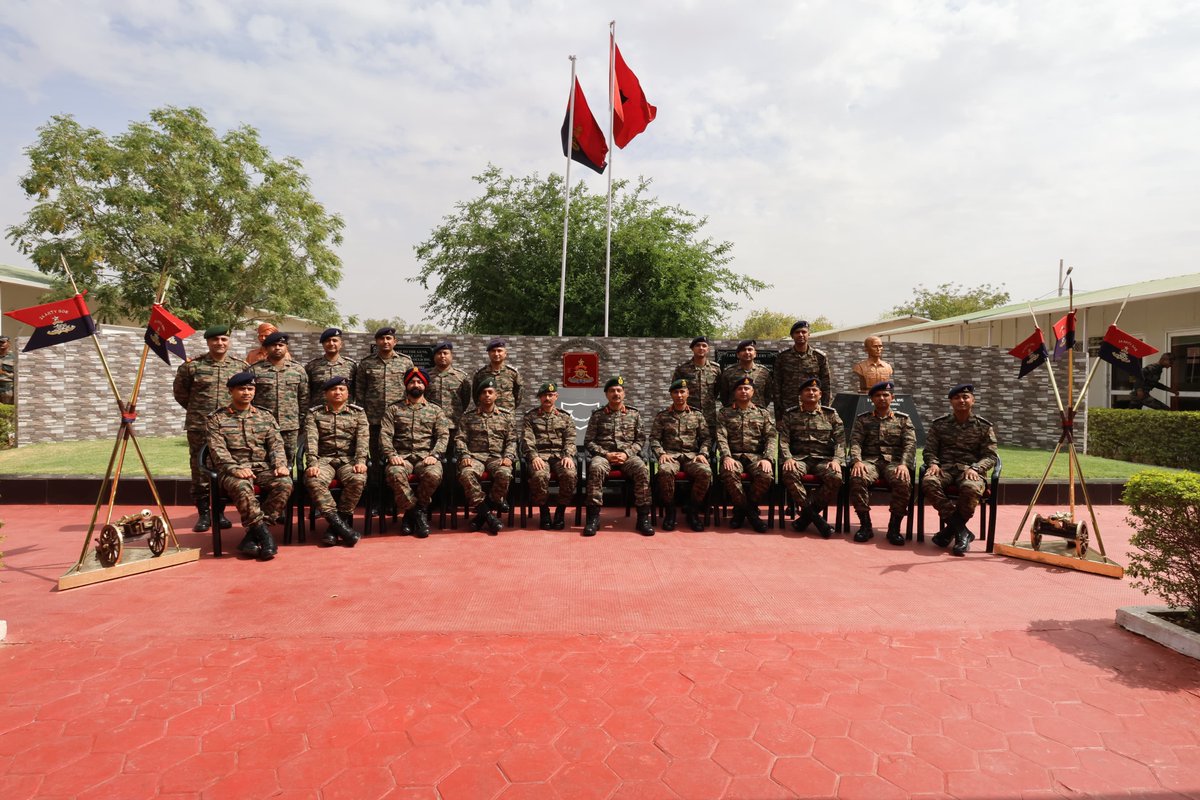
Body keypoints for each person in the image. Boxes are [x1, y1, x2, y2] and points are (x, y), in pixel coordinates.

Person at [205, 371, 292, 560]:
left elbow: (276, 445)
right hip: (231, 471)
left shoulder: (266, 416)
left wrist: (280, 464)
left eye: (250, 388)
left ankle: (252, 537)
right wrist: (235, 468)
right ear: (231, 391)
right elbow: (217, 450)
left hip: (261, 468)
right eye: (241, 389)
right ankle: (266, 537)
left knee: (285, 482)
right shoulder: (216, 419)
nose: (246, 392)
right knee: (242, 485)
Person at [173, 325, 249, 533]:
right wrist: (199, 410)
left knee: (225, 467)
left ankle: (220, 512)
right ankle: (204, 514)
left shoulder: (240, 367)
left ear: (229, 342)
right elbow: (181, 393)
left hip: (228, 427)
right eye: (215, 339)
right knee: (199, 470)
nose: (220, 343)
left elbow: (247, 393)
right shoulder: (192, 367)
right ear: (207, 342)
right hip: (200, 426)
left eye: (224, 339)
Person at [922, 383, 999, 556]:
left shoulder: (983, 426)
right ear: (951, 402)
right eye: (957, 398)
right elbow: (929, 450)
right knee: (928, 482)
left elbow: (990, 455)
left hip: (970, 470)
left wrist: (977, 468)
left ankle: (950, 532)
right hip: (945, 468)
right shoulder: (939, 425)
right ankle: (962, 531)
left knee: (970, 488)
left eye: (965, 397)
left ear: (973, 400)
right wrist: (933, 463)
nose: (961, 400)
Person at [380, 367, 451, 538]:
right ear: (406, 385)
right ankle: (417, 513)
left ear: (425, 385)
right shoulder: (393, 410)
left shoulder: (436, 410)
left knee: (433, 474)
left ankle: (410, 515)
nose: (415, 384)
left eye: (419, 382)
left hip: (425, 457)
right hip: (401, 457)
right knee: (395, 473)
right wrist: (391, 455)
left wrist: (435, 455)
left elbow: (443, 435)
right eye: (412, 381)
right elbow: (385, 435)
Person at [582, 376, 654, 537]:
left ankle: (643, 518)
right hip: (604, 455)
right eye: (612, 391)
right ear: (606, 394)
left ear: (624, 393)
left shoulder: (634, 414)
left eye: (619, 390)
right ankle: (593, 518)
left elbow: (640, 439)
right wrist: (606, 454)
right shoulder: (598, 415)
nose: (616, 393)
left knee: (641, 469)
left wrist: (626, 453)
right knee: (595, 468)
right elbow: (589, 441)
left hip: (627, 456)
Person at [302, 376, 369, 547]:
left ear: (348, 393)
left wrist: (360, 461)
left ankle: (334, 528)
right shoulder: (314, 413)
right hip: (323, 460)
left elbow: (362, 440)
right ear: (325, 393)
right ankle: (341, 526)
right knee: (313, 480)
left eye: (342, 389)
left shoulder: (358, 413)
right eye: (333, 389)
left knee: (358, 479)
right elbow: (311, 441)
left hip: (349, 460)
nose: (337, 392)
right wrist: (313, 464)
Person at [849, 380, 916, 545]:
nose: (882, 398)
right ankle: (865, 525)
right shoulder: (863, 420)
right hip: (870, 462)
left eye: (885, 395)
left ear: (892, 397)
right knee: (857, 478)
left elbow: (910, 445)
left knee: (903, 480)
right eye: (878, 395)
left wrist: (904, 464)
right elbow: (855, 442)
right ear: (872, 399)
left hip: (894, 463)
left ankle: (894, 528)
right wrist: (857, 461)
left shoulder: (903, 420)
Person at [356, 326, 415, 514]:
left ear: (395, 342)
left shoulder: (405, 362)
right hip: (373, 421)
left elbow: (411, 389)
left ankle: (393, 501)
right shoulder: (366, 364)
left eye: (389, 338)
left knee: (394, 461)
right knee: (374, 462)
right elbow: (360, 391)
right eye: (381, 339)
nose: (385, 342)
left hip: (398, 422)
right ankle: (375, 501)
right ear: (377, 342)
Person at [779, 376, 844, 538]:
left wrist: (836, 460)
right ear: (800, 395)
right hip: (799, 459)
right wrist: (787, 458)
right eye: (807, 390)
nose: (811, 392)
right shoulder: (790, 415)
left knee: (835, 477)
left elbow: (841, 440)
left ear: (820, 394)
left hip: (823, 459)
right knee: (789, 472)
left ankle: (806, 518)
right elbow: (784, 440)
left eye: (814, 390)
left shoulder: (831, 415)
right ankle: (816, 519)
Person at [650, 378, 712, 532]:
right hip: (670, 455)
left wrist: (703, 453)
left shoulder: (697, 415)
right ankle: (670, 510)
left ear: (688, 393)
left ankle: (693, 510)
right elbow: (654, 439)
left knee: (706, 472)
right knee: (664, 471)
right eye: (676, 392)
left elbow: (706, 438)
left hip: (692, 456)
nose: (679, 395)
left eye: (682, 392)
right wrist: (661, 453)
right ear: (671, 395)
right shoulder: (662, 416)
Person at [716, 376, 777, 533]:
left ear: (753, 392)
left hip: (756, 457)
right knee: (729, 472)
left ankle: (741, 511)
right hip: (734, 456)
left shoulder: (763, 413)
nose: (743, 391)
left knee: (766, 475)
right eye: (740, 388)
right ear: (735, 392)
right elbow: (721, 437)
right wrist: (726, 456)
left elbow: (771, 437)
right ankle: (751, 515)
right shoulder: (724, 413)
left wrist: (767, 458)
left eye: (747, 388)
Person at [456, 378, 516, 535]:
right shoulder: (468, 416)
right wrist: (464, 454)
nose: (487, 395)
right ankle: (488, 515)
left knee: (505, 473)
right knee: (466, 474)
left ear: (496, 395)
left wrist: (509, 456)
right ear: (479, 396)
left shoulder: (506, 416)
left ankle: (482, 515)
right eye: (483, 393)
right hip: (475, 456)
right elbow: (460, 439)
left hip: (497, 457)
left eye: (490, 392)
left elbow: (512, 440)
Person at [521, 382, 577, 530]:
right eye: (544, 395)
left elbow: (571, 439)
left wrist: (568, 455)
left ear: (556, 396)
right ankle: (544, 510)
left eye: (550, 395)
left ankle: (560, 511)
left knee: (570, 474)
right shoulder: (530, 417)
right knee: (539, 475)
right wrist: (533, 456)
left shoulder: (565, 417)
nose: (547, 398)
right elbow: (527, 440)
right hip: (540, 456)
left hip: (560, 456)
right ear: (540, 398)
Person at [250, 331, 309, 467]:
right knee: (262, 461)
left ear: (286, 347)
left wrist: (300, 422)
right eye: (273, 345)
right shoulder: (255, 370)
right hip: (262, 426)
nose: (277, 348)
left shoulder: (298, 370)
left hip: (290, 426)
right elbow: (250, 399)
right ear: (266, 348)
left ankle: (287, 487)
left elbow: (304, 398)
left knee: (288, 462)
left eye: (281, 345)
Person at [771, 320, 833, 419]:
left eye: (803, 332)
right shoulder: (783, 357)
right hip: (788, 407)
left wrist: (826, 412)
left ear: (809, 334)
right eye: (797, 332)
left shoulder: (819, 357)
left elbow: (826, 386)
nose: (800, 335)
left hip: (812, 407)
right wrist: (778, 416)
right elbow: (777, 387)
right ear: (792, 336)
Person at [671, 336, 722, 433]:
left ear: (708, 349)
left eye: (704, 345)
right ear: (692, 348)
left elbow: (717, 390)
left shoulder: (715, 369)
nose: (701, 348)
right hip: (688, 414)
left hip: (709, 416)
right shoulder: (682, 368)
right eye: (698, 345)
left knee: (709, 444)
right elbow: (675, 390)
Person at [305, 327, 358, 405]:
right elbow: (306, 392)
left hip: (344, 414)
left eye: (335, 340)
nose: (331, 343)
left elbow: (357, 391)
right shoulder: (312, 366)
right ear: (323, 344)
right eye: (327, 341)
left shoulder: (351, 366)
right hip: (319, 413)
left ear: (341, 344)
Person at [716, 339, 772, 409]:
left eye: (750, 349)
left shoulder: (764, 372)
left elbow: (768, 395)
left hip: (758, 415)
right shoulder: (728, 372)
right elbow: (724, 395)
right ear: (738, 355)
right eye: (743, 350)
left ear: (755, 354)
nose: (747, 352)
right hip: (734, 414)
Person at [426, 341, 472, 426]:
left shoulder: (461, 377)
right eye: (439, 353)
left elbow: (465, 400)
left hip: (453, 423)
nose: (442, 356)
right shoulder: (426, 376)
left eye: (445, 353)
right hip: (431, 423)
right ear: (434, 356)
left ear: (451, 356)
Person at [472, 338, 523, 412]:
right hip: (485, 416)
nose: (496, 354)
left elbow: (518, 396)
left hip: (506, 417)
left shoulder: (513, 373)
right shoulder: (480, 374)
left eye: (499, 351)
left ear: (505, 354)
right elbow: (475, 396)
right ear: (489, 353)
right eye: (493, 351)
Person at [0, 335, 14, 404]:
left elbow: (18, 375)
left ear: (9, 343)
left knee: (7, 411)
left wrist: (4, 373)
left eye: (2, 342)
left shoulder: (15, 358)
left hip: (7, 388)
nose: (0, 344)